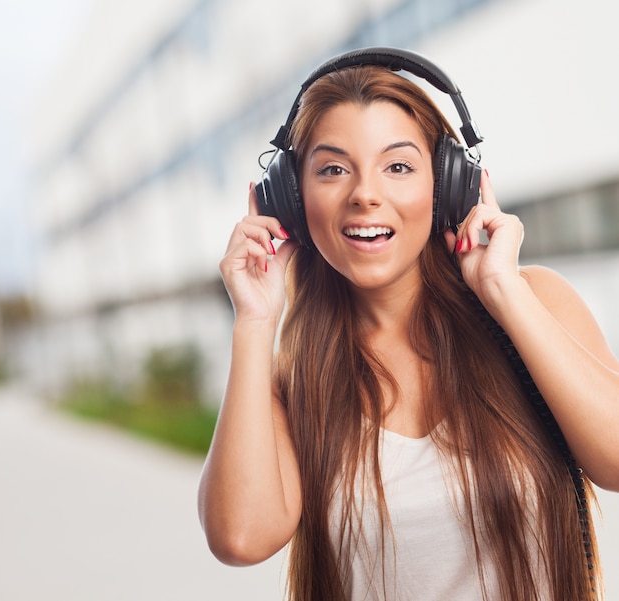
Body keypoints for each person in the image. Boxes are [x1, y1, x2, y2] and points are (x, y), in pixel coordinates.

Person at [198, 49, 619, 601]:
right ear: (292, 201)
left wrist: (502, 290)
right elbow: (240, 538)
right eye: (332, 169)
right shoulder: (295, 381)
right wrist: (254, 322)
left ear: (448, 186)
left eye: (397, 166)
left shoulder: (533, 302)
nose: (365, 194)